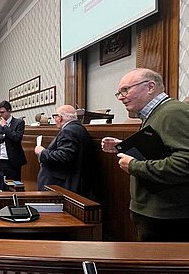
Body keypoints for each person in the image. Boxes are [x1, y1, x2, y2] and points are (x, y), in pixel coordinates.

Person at [101, 68, 189, 242]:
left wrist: (134, 166)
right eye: (118, 93)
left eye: (125, 90)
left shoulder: (173, 112)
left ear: (150, 87)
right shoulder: (156, 113)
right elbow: (162, 150)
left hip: (168, 218)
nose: (121, 97)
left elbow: (185, 162)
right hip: (156, 213)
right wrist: (124, 147)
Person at [34, 105, 93, 195]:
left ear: (59, 117)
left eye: (55, 116)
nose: (54, 120)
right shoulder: (78, 128)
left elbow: (63, 156)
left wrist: (42, 152)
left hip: (62, 185)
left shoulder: (68, 131)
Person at [0, 100, 26, 189]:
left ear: (9, 111)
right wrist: (3, 136)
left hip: (12, 161)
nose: (0, 115)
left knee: (13, 186)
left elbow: (17, 138)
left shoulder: (19, 123)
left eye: (2, 112)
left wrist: (5, 127)